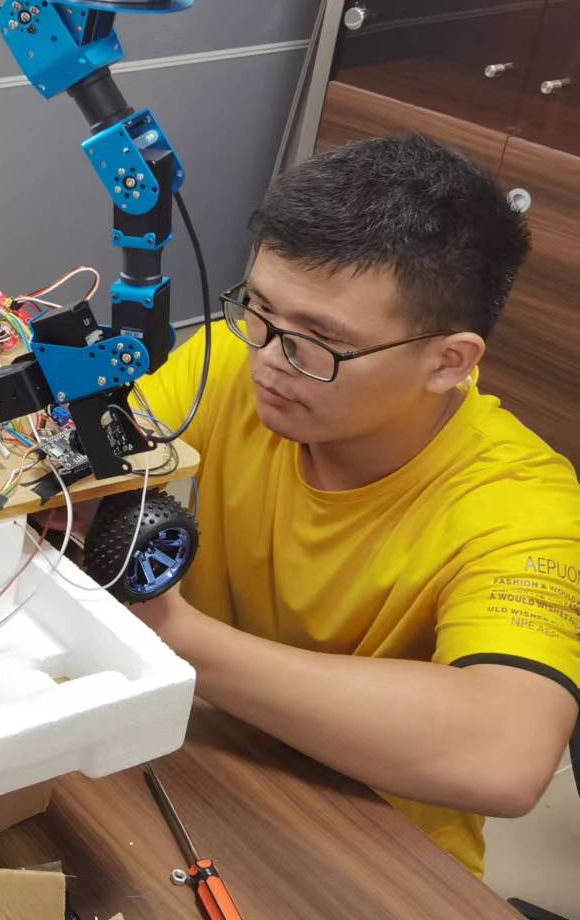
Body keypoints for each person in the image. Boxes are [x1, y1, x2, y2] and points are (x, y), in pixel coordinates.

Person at [134, 133, 579, 876]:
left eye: (321, 341)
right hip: (209, 764)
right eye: (259, 308)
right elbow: (83, 473)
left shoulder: (521, 505)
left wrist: (172, 634)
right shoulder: (232, 362)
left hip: (379, 850)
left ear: (448, 361)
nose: (269, 358)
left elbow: (504, 754)